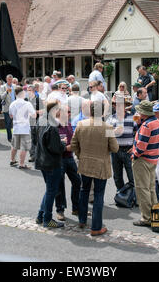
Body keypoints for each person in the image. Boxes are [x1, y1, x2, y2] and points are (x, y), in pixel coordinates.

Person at [71, 101, 119, 235]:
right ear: (102, 112)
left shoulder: (81, 124)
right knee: (98, 195)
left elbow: (74, 145)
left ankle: (82, 220)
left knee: (84, 190)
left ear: (90, 112)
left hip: (85, 162)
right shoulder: (107, 128)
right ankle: (96, 227)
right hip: (100, 165)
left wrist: (81, 155)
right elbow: (115, 148)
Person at [34, 100, 67, 228]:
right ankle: (47, 219)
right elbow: (55, 148)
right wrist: (63, 143)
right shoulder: (51, 126)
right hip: (51, 162)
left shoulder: (40, 121)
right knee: (51, 191)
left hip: (42, 160)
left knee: (49, 190)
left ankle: (40, 216)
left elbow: (35, 140)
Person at [131, 100, 159, 227]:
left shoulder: (147, 125)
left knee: (142, 189)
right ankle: (155, 216)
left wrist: (134, 154)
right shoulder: (156, 122)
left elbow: (141, 146)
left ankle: (146, 218)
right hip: (153, 158)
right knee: (151, 189)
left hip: (143, 159)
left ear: (144, 113)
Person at [54, 104, 81, 221]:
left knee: (77, 181)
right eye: (67, 112)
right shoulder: (55, 126)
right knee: (59, 185)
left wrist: (74, 145)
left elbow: (73, 140)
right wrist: (65, 148)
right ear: (59, 113)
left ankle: (76, 207)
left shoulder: (69, 125)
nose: (69, 114)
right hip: (59, 159)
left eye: (70, 112)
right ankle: (60, 210)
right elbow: (54, 145)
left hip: (70, 158)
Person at [106, 98, 137, 191]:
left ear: (125, 106)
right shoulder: (111, 118)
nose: (118, 107)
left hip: (128, 149)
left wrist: (134, 147)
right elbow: (106, 134)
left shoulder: (132, 117)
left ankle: (132, 196)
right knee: (117, 176)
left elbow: (138, 134)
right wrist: (114, 131)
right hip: (115, 150)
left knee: (132, 176)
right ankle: (121, 194)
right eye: (116, 105)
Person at [9, 86, 36, 169]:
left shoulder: (12, 104)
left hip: (16, 127)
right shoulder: (27, 104)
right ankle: (21, 164)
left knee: (14, 146)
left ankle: (12, 160)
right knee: (24, 147)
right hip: (24, 127)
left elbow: (11, 116)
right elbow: (34, 115)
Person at [0, 75, 16, 143]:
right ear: (6, 79)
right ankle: (10, 137)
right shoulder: (3, 87)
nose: (10, 80)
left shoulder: (14, 86)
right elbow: (1, 97)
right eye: (8, 79)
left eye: (11, 79)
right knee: (8, 123)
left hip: (15, 107)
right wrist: (6, 92)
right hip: (7, 108)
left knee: (16, 123)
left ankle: (16, 136)